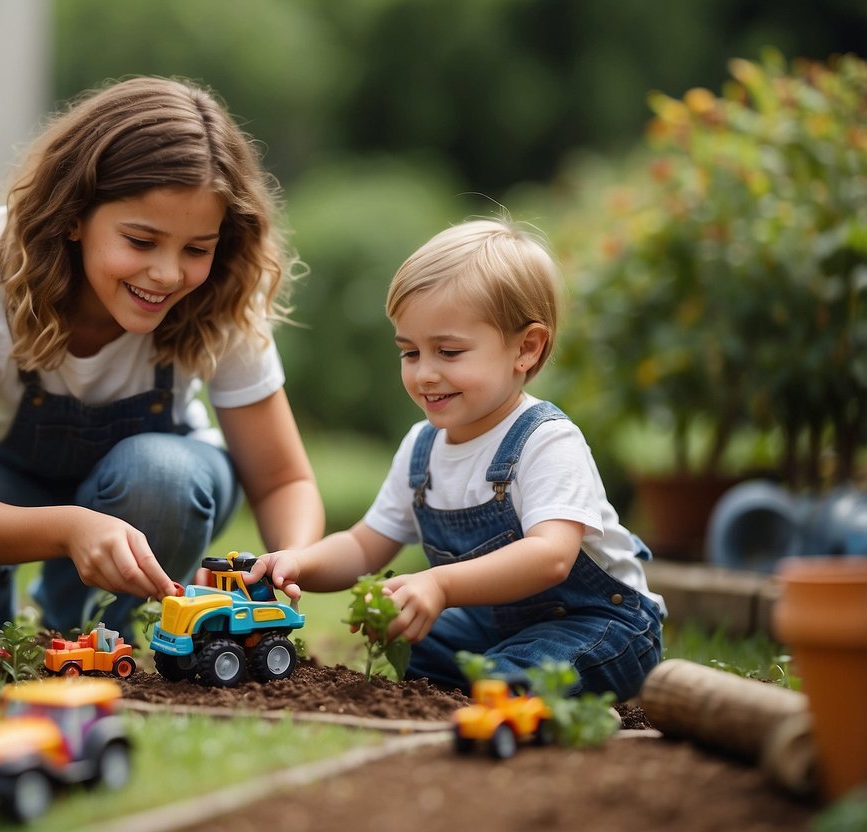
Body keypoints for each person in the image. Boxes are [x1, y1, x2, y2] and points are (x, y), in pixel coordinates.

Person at [0, 76, 324, 635]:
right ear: (73, 215)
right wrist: (69, 528)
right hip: (10, 488)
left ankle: (91, 630)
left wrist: (291, 557)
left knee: (161, 477)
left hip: (155, 490)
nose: (167, 273)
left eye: (196, 249)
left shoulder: (225, 287)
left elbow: (281, 481)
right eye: (140, 241)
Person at [248, 217, 664, 700]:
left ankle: (557, 701)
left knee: (512, 673)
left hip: (601, 625)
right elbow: (364, 547)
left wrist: (440, 585)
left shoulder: (546, 441)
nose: (425, 374)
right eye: (409, 353)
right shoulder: (421, 449)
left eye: (448, 351)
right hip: (496, 627)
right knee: (412, 648)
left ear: (526, 348)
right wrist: (299, 561)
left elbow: (550, 557)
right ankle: (516, 688)